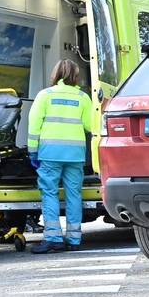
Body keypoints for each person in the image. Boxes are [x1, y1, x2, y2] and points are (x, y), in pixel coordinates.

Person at [27, 60, 95, 253]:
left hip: (50, 153)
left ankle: (53, 238)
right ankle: (74, 239)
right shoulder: (83, 97)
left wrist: (33, 151)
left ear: (56, 74)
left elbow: (34, 127)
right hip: (75, 155)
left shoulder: (45, 95)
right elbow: (90, 126)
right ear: (76, 76)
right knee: (74, 195)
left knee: (50, 193)